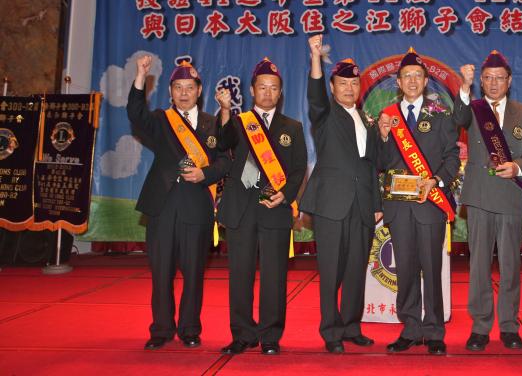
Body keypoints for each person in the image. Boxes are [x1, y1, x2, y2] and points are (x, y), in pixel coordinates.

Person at [127, 55, 229, 350]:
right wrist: (140, 76)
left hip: (197, 207)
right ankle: (161, 329)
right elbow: (135, 113)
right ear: (170, 92)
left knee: (194, 273)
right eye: (178, 88)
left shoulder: (213, 123)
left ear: (200, 90)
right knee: (161, 273)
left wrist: (205, 173)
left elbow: (225, 161)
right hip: (163, 206)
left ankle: (189, 329)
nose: (184, 93)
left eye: (190, 87)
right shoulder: (160, 120)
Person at [215, 58, 307, 356]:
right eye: (262, 87)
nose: (268, 93)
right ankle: (242, 334)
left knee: (274, 276)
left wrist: (286, 195)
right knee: (240, 275)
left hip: (275, 208)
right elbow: (221, 143)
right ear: (252, 90)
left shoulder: (292, 127)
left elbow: (299, 169)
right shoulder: (239, 122)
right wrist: (225, 110)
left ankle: (270, 335)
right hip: (241, 209)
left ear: (280, 93)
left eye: (274, 88)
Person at [299, 34, 383, 354]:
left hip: (362, 205)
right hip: (331, 204)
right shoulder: (325, 114)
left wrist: (376, 204)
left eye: (354, 83)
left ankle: (351, 326)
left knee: (355, 270)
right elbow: (315, 96)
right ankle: (331, 331)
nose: (349, 88)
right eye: (343, 83)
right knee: (332, 270)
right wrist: (315, 59)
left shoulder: (366, 119)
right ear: (332, 87)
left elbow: (371, 165)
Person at [375, 48, 459, 355]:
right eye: (406, 76)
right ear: (398, 82)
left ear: (425, 82)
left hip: (430, 204)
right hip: (398, 207)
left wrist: (436, 180)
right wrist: (384, 137)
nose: (412, 80)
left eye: (418, 76)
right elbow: (379, 162)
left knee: (432, 268)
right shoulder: (387, 117)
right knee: (406, 269)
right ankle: (410, 328)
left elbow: (452, 157)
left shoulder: (441, 115)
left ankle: (434, 330)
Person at [452, 50, 522, 352]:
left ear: (509, 81)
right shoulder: (472, 109)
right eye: (488, 78)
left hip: (511, 195)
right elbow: (457, 120)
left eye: (500, 78)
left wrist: (517, 167)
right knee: (479, 265)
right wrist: (464, 86)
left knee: (511, 265)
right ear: (481, 82)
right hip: (480, 197)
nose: (494, 83)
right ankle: (480, 326)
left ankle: (509, 326)